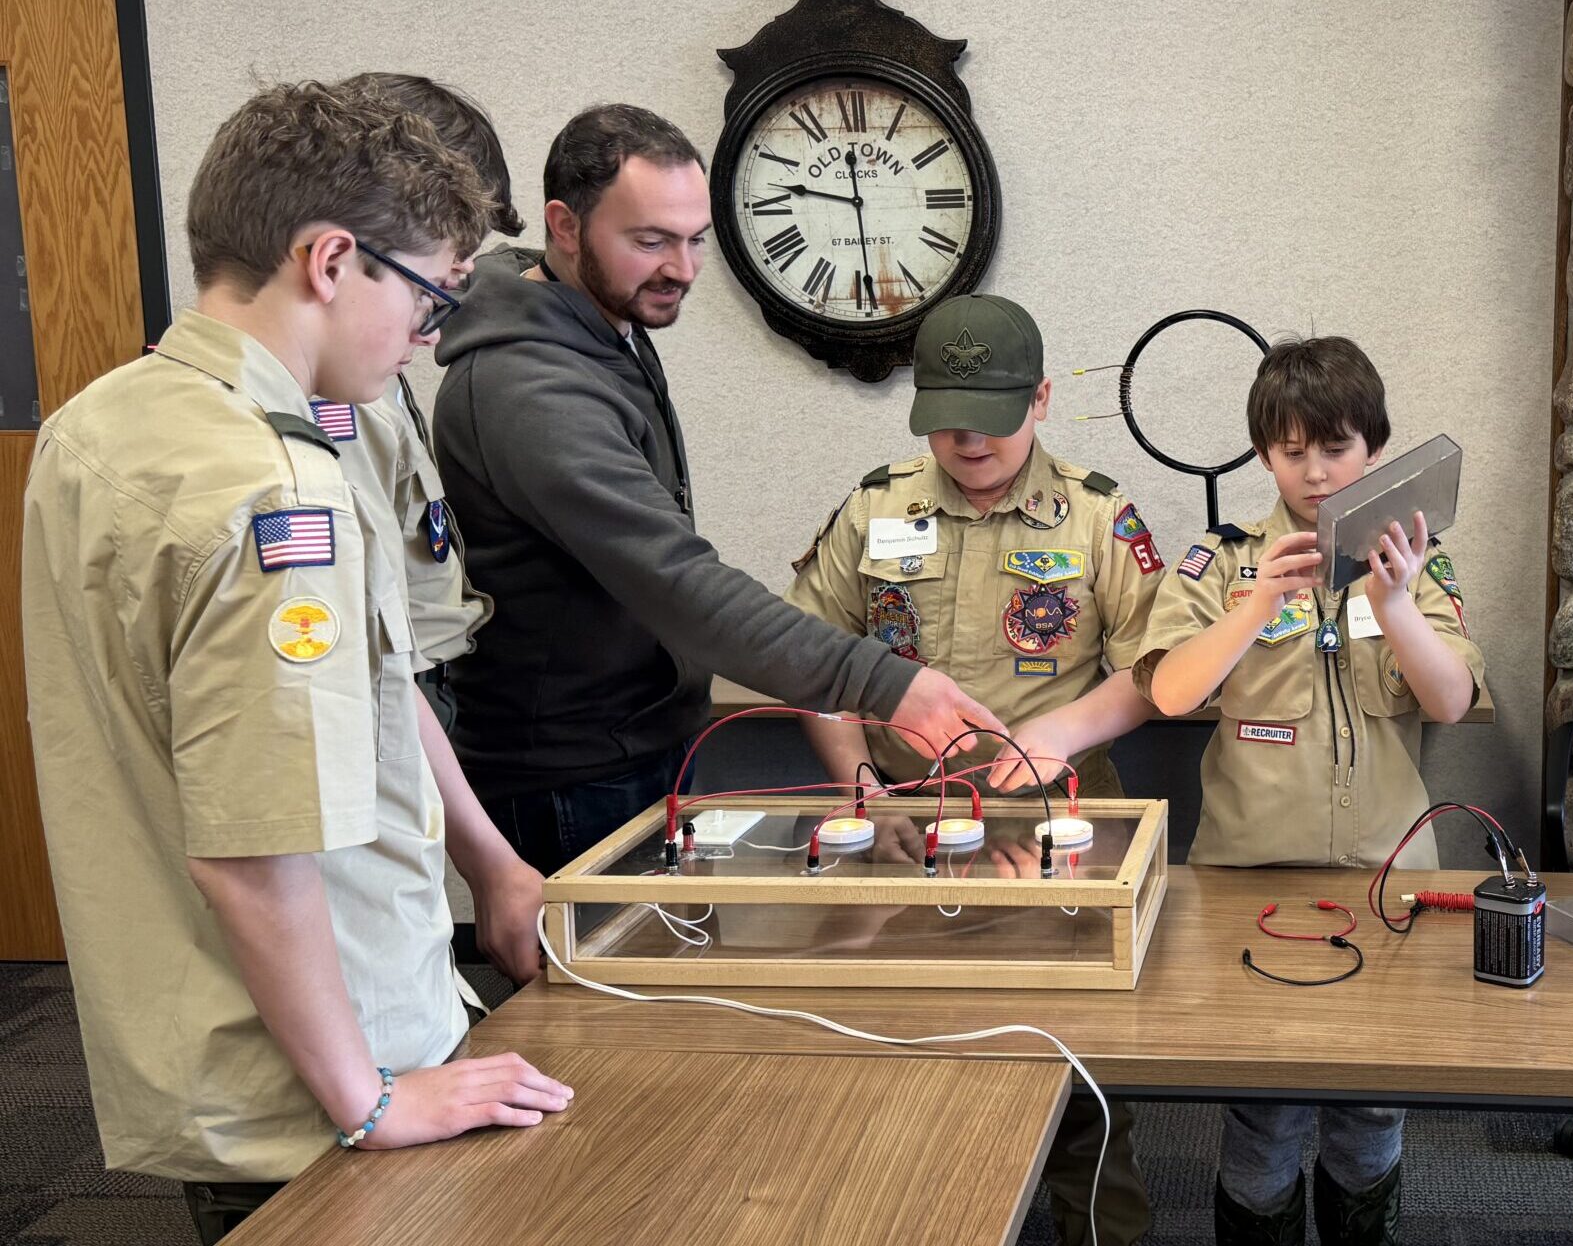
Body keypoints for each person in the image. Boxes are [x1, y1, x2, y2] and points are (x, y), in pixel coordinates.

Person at [21, 81, 569, 1245]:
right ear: (329, 260)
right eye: (424, 297)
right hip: (321, 1087)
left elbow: (371, 683)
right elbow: (253, 851)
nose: (424, 338)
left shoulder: (105, 421)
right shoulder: (277, 490)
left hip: (212, 1041)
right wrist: (370, 1098)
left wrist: (492, 861)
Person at [431, 104, 998, 872]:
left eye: (694, 239)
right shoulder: (529, 389)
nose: (684, 269)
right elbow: (676, 579)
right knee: (610, 992)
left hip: (645, 739)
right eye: (651, 241)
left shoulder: (601, 322)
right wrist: (884, 683)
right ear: (564, 227)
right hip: (571, 774)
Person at [781, 293, 1162, 1245]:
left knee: (1081, 1069)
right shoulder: (878, 508)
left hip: (1063, 825)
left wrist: (1061, 738)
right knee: (906, 1052)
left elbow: (1159, 670)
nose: (965, 440)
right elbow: (808, 659)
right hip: (905, 830)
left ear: (1039, 399)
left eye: (989, 418)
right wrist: (857, 784)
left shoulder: (1098, 515)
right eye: (943, 417)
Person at [1138, 336, 1486, 1245]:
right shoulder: (1219, 559)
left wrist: (1399, 603)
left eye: (1335, 448)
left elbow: (1450, 701)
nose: (1317, 472)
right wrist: (1256, 605)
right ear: (1264, 455)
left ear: (1374, 447)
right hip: (1249, 883)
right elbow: (1171, 690)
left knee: (1371, 1115)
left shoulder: (1418, 560)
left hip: (1387, 878)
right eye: (1292, 451)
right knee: (1262, 1117)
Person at [329, 73, 517, 731]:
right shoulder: (332, 390)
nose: (460, 270)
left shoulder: (377, 357)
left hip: (428, 683)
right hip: (390, 695)